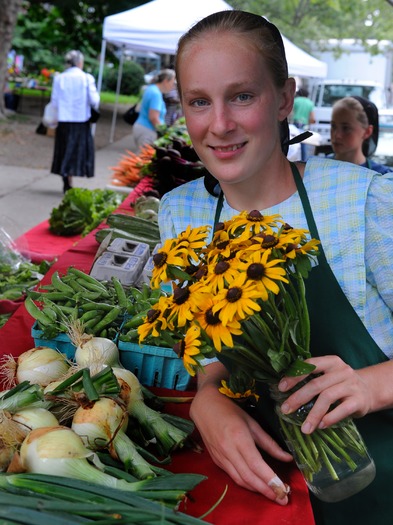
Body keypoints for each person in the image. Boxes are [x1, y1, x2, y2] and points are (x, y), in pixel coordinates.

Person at [158, 10, 393, 525]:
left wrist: (371, 385)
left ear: (285, 98)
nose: (219, 125)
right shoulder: (181, 214)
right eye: (199, 101)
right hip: (270, 497)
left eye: (242, 96)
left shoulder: (366, 203)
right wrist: (206, 397)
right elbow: (206, 345)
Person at [50, 50, 100, 193]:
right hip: (81, 120)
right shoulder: (86, 78)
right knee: (77, 151)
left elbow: (54, 102)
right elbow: (94, 100)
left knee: (64, 149)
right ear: (80, 62)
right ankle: (69, 177)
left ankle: (66, 178)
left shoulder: (60, 78)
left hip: (64, 120)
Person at [330, 96, 392, 174]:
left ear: (367, 132)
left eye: (346, 128)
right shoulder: (315, 169)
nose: (337, 135)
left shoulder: (382, 177)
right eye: (333, 126)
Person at [132, 69, 176, 152]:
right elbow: (153, 118)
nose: (172, 86)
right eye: (172, 82)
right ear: (166, 81)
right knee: (143, 160)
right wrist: (164, 133)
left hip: (141, 128)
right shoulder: (156, 94)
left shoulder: (151, 88)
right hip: (147, 131)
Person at [292, 88, 315, 161]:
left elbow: (290, 112)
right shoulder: (310, 103)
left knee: (292, 142)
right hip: (304, 125)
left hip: (295, 123)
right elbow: (312, 117)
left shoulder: (296, 101)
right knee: (303, 143)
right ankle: (303, 161)